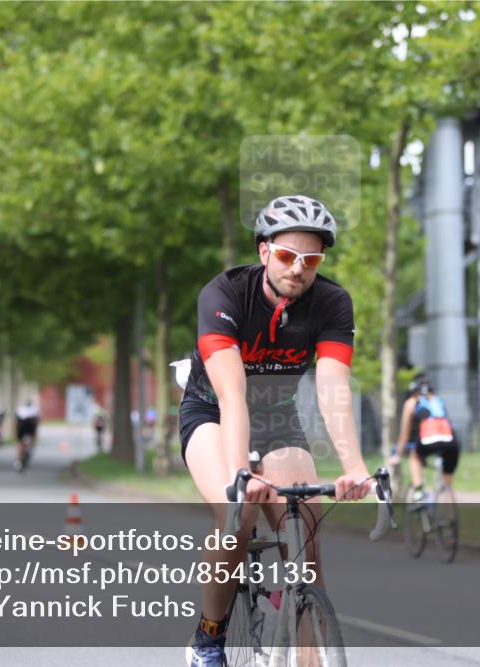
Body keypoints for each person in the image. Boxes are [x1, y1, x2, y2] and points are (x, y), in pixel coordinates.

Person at [179, 194, 372, 666]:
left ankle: (306, 648)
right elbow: (231, 394)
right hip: (213, 411)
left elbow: (332, 389)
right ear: (264, 251)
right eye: (287, 256)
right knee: (237, 516)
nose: (299, 269)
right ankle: (209, 638)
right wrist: (243, 471)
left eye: (312, 259)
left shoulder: (331, 303)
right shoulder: (223, 296)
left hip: (277, 417)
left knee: (305, 543)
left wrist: (355, 468)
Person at [388, 374, 460, 501]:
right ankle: (450, 516)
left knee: (415, 456)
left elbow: (404, 434)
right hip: (451, 443)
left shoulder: (411, 403)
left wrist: (397, 455)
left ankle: (419, 491)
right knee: (447, 484)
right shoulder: (437, 400)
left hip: (428, 441)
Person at [14, 399, 39, 472]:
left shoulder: (20, 409)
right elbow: (36, 423)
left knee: (20, 443)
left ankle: (19, 459)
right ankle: (28, 451)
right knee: (29, 440)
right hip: (29, 426)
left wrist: (16, 432)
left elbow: (16, 422)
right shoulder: (34, 410)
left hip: (23, 426)